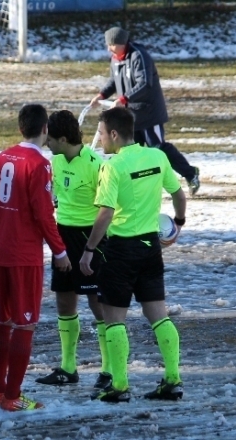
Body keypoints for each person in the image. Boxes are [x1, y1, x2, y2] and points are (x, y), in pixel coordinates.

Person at [79, 107, 187, 403]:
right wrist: (178, 223)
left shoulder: (112, 167)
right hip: (151, 248)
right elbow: (179, 194)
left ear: (114, 134)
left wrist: (89, 250)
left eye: (101, 133)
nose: (99, 140)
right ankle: (173, 380)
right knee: (159, 316)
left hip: (120, 251)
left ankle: (120, 385)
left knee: (114, 319)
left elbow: (105, 213)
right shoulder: (157, 156)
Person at [0, 104, 71, 412]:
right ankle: (13, 396)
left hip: (0, 249)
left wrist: (5, 227)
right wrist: (59, 250)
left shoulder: (1, 158)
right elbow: (43, 214)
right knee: (25, 324)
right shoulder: (39, 164)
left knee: (4, 318)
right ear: (45, 129)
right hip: (24, 254)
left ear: (21, 127)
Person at [35, 110, 111, 390]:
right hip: (62, 236)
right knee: (64, 300)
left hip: (90, 239)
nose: (47, 145)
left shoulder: (96, 164)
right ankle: (68, 367)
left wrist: (94, 246)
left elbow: (108, 208)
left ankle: (109, 369)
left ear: (63, 138)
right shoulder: (53, 162)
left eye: (51, 140)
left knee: (98, 303)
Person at [90, 26, 200, 197]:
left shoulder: (138, 56)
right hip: (130, 114)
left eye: (111, 45)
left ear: (121, 43)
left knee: (158, 147)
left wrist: (123, 99)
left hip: (149, 112)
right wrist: (101, 95)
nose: (108, 48)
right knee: (132, 149)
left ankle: (191, 174)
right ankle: (138, 185)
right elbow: (114, 81)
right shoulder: (115, 59)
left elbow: (144, 83)